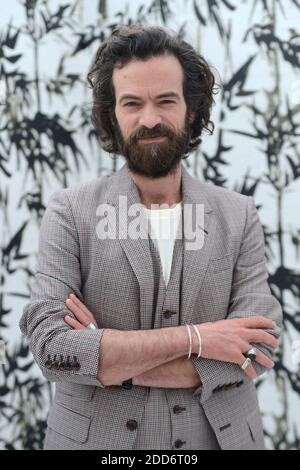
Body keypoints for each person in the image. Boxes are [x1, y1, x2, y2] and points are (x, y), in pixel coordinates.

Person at [20, 24, 282, 450]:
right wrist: (199, 340)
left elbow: (257, 348)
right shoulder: (69, 211)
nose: (150, 119)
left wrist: (111, 361)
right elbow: (52, 348)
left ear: (192, 110)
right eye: (132, 103)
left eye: (166, 101)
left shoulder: (239, 214)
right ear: (112, 115)